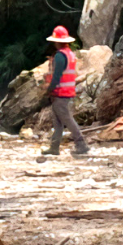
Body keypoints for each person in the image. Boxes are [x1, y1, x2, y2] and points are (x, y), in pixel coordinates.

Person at [41, 25, 89, 157]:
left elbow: (56, 77)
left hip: (60, 92)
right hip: (66, 92)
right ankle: (54, 147)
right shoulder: (70, 54)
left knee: (67, 119)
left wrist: (48, 88)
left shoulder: (60, 56)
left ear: (57, 42)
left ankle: (81, 144)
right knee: (58, 121)